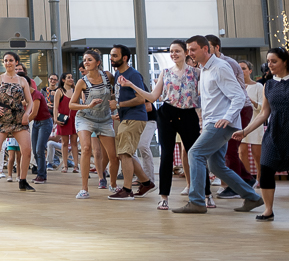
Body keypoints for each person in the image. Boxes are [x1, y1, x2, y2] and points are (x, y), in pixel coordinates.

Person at [173, 35, 262, 214]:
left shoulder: (220, 67)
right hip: (212, 122)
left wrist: (227, 118)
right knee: (216, 166)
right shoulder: (205, 69)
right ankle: (252, 197)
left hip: (221, 123)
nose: (190, 53)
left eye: (193, 49)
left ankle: (197, 201)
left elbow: (238, 96)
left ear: (205, 49)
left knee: (195, 153)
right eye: (188, 50)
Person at [118, 40, 202, 211]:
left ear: (185, 52)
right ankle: (164, 197)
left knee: (195, 155)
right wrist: (131, 85)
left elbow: (204, 96)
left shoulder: (197, 73)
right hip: (167, 114)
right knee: (166, 156)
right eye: (171, 51)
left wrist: (201, 117)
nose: (173, 54)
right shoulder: (165, 72)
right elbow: (152, 97)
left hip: (189, 114)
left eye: (177, 51)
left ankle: (205, 194)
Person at [232, 47, 289, 221]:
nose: (270, 65)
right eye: (268, 61)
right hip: (275, 130)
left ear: (285, 61)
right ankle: (268, 210)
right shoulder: (269, 85)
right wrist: (245, 131)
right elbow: (263, 113)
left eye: (274, 61)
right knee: (266, 167)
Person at [107, 44, 155, 199]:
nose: (111, 58)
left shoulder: (133, 75)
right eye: (111, 55)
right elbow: (122, 97)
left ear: (124, 58)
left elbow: (141, 98)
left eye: (115, 55)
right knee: (125, 154)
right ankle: (146, 183)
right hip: (126, 118)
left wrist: (119, 105)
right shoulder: (117, 76)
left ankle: (127, 190)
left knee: (125, 153)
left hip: (135, 117)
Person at [65, 52, 115, 200]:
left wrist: (116, 105)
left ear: (98, 62)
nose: (86, 62)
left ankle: (112, 184)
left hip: (105, 119)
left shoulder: (108, 77)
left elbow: (114, 94)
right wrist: (88, 105)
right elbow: (71, 105)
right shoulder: (82, 81)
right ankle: (84, 188)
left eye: (89, 60)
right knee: (86, 148)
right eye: (84, 60)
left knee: (113, 155)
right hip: (86, 118)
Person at [0, 51, 34, 192]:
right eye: (5, 60)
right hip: (1, 117)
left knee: (27, 149)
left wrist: (27, 114)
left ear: (16, 62)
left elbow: (30, 102)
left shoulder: (22, 80)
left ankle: (23, 180)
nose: (8, 63)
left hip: (18, 117)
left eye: (11, 60)